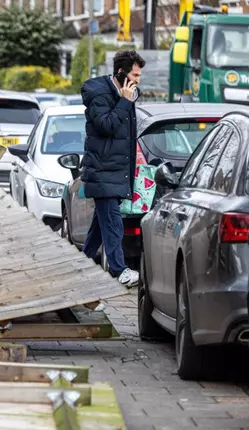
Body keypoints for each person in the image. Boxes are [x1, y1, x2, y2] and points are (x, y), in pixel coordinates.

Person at [80, 50, 145, 288]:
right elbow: (106, 126)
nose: (138, 80)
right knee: (113, 223)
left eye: (139, 75)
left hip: (116, 170)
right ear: (120, 73)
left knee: (100, 226)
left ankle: (80, 266)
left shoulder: (127, 95)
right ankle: (120, 270)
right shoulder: (99, 95)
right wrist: (124, 102)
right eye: (134, 75)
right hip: (101, 170)